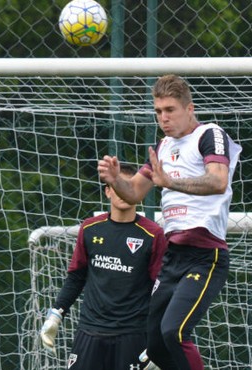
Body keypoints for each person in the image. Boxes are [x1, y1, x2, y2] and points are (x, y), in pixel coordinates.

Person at [97, 74, 242, 370]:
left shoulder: (209, 134)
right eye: (158, 111)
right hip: (173, 256)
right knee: (154, 343)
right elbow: (135, 191)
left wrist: (170, 182)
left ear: (189, 108)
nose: (163, 118)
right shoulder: (163, 147)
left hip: (205, 255)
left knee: (174, 332)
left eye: (170, 110)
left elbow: (217, 180)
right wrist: (116, 180)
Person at [39, 164, 168, 370]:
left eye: (129, 186)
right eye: (117, 185)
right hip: (90, 333)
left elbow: (160, 290)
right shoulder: (90, 228)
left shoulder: (153, 234)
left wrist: (157, 339)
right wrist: (56, 314)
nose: (122, 192)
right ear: (108, 191)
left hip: (133, 336)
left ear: (140, 192)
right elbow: (76, 277)